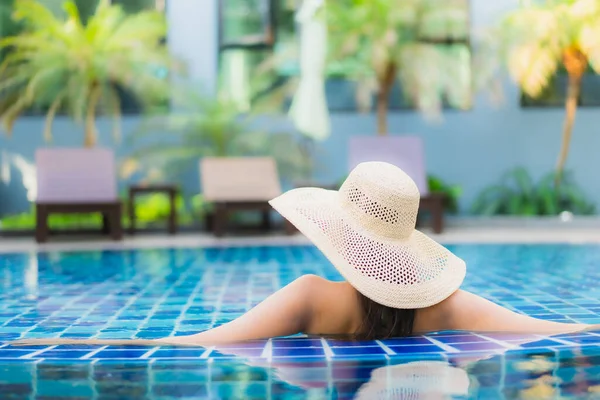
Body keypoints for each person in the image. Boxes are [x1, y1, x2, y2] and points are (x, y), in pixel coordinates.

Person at [12, 161, 594, 348]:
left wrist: (66, 339)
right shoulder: (447, 308)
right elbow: (546, 330)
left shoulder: (310, 300)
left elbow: (197, 345)